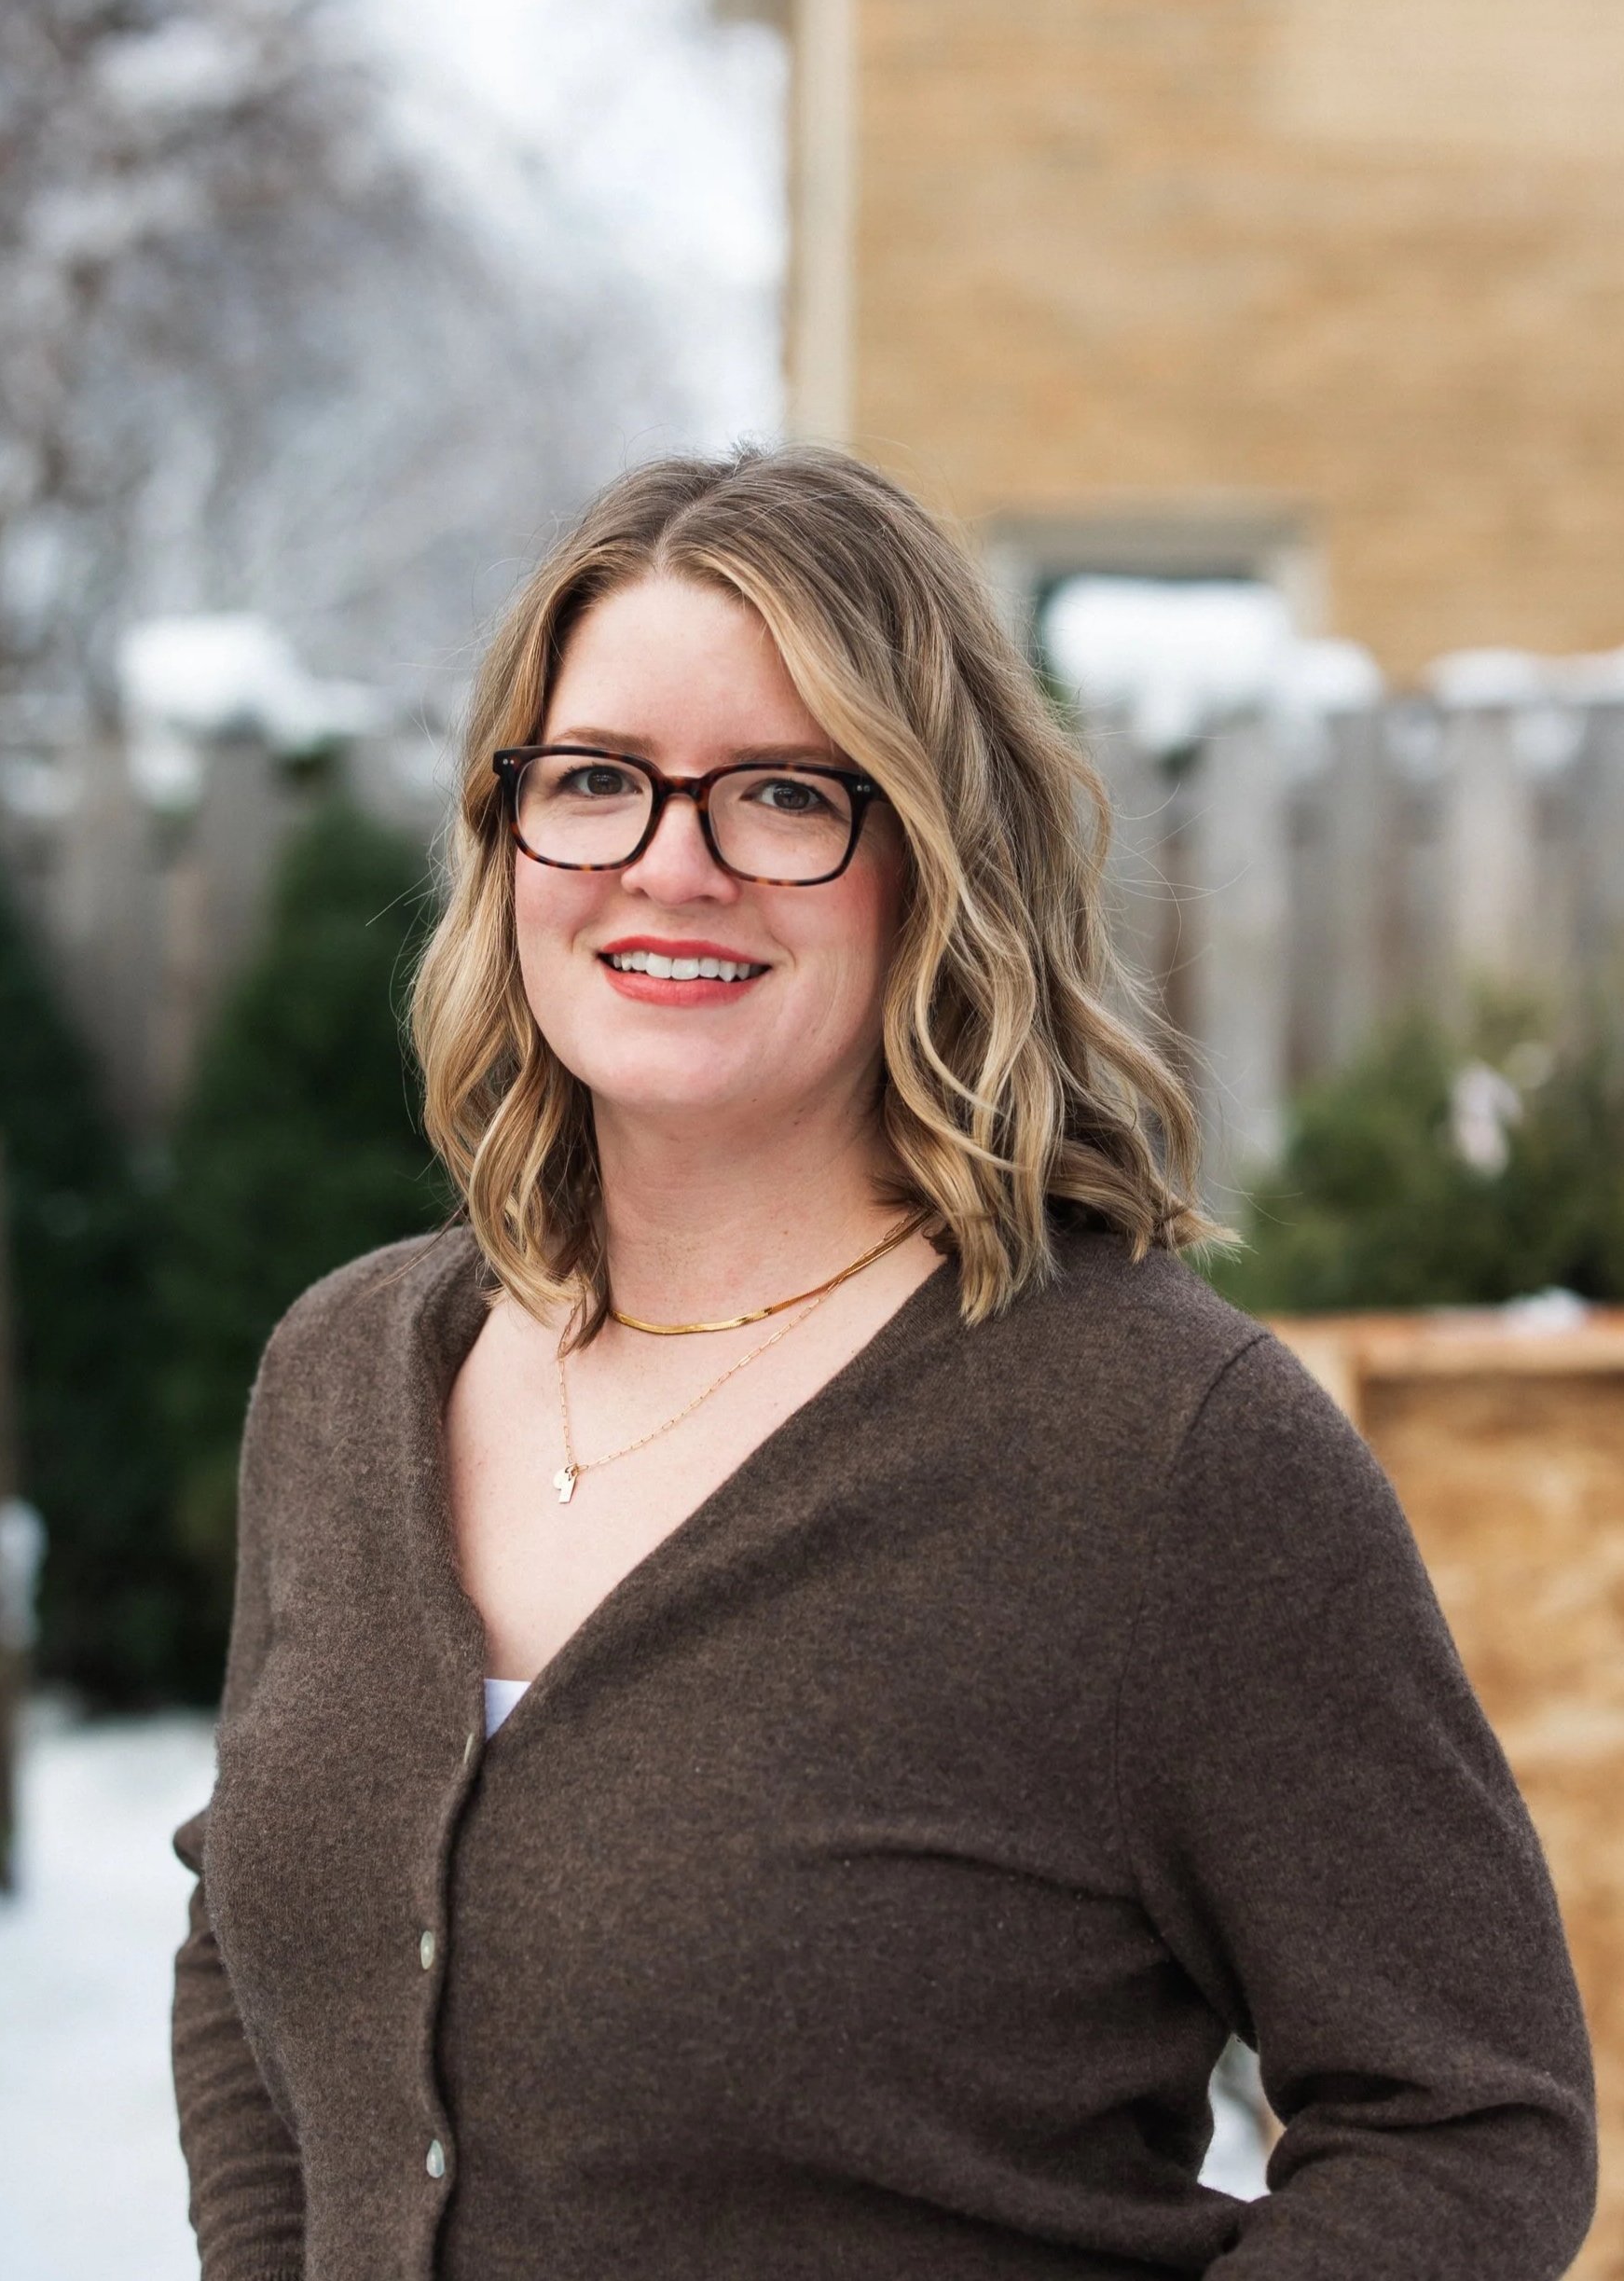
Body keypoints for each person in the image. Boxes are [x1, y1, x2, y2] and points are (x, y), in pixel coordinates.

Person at [172, 448, 1596, 2281]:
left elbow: (1469, 2122)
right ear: (507, 833)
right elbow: (251, 1930)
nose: (669, 866)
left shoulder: (1160, 1447)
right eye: (596, 780)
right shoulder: (349, 1370)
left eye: (780, 794)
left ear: (935, 859)